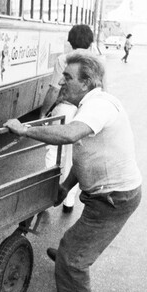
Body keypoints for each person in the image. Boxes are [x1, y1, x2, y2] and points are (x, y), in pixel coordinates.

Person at [5, 52, 141, 292]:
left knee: (71, 258)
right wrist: (66, 186)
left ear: (87, 82)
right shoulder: (89, 104)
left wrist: (24, 130)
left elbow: (69, 135)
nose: (62, 82)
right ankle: (74, 252)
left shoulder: (99, 105)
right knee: (76, 243)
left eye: (68, 77)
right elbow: (86, 156)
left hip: (113, 198)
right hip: (105, 194)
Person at [40, 24, 106, 214]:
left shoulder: (65, 59)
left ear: (70, 40)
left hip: (64, 109)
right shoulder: (98, 61)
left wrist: (44, 113)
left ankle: (46, 197)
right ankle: (69, 201)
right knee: (74, 156)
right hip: (86, 113)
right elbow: (104, 90)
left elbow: (54, 89)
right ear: (90, 40)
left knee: (53, 150)